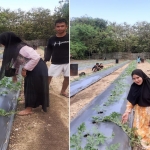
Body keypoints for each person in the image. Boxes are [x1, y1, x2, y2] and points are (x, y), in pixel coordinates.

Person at [0, 32, 49, 115]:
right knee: (28, 85)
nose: (1, 44)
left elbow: (35, 58)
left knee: (32, 87)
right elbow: (16, 62)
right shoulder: (14, 48)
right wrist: (14, 74)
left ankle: (29, 109)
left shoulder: (22, 48)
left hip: (38, 67)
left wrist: (24, 69)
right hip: (32, 67)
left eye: (1, 41)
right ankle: (29, 101)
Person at [122, 69, 150, 149]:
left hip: (149, 112)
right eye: (134, 79)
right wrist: (127, 113)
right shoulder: (134, 87)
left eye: (138, 77)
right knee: (138, 132)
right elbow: (131, 101)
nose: (136, 80)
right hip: (139, 113)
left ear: (142, 76)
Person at [44, 18, 69, 98]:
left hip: (69, 62)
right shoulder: (51, 39)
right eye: (58, 26)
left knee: (68, 77)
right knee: (48, 76)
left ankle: (63, 91)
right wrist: (45, 59)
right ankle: (44, 91)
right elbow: (49, 50)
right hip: (56, 61)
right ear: (55, 28)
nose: (60, 28)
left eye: (62, 26)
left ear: (66, 27)